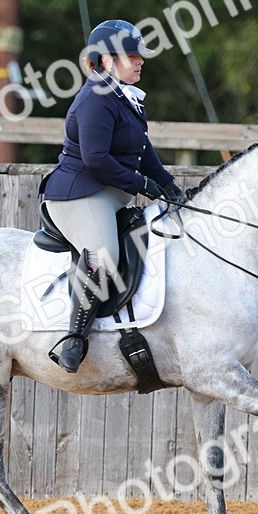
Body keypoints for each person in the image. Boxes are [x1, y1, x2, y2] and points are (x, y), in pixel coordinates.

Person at [39, 19, 184, 373]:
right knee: (103, 257)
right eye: (131, 55)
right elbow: (96, 159)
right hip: (79, 196)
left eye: (139, 56)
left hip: (109, 193)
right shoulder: (95, 99)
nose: (140, 61)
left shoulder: (124, 97)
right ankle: (74, 338)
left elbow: (143, 148)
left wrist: (168, 184)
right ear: (105, 60)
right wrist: (142, 186)